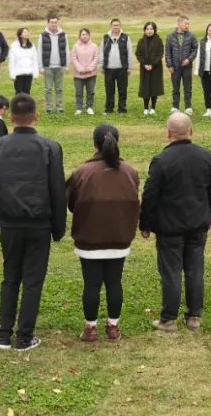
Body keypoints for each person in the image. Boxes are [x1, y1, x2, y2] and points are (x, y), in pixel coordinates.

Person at [0, 93, 66, 351]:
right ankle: (23, 336)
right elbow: (58, 191)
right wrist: (59, 227)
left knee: (11, 277)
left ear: (11, 117)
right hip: (38, 223)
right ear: (36, 116)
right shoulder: (49, 147)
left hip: (10, 222)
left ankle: (5, 334)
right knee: (32, 280)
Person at [139, 112, 211, 333]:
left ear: (168, 133)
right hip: (197, 223)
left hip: (170, 226)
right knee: (195, 269)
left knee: (171, 272)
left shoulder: (161, 161)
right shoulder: (206, 156)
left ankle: (169, 319)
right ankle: (194, 316)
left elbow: (149, 196)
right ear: (191, 131)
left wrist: (145, 223)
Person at [66, 123, 140, 342]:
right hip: (119, 236)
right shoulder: (130, 172)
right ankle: (113, 326)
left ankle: (90, 328)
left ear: (94, 144)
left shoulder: (82, 172)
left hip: (89, 237)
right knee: (114, 282)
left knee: (91, 284)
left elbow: (71, 203)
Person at [164, 15, 198, 115]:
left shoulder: (191, 36)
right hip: (175, 67)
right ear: (179, 23)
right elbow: (167, 52)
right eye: (185, 23)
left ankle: (188, 107)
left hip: (187, 67)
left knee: (188, 88)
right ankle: (175, 107)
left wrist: (189, 59)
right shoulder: (170, 36)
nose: (187, 25)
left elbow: (195, 49)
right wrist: (169, 65)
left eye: (188, 24)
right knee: (175, 88)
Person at [101, 19, 136, 115]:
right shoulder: (105, 37)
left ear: (120, 26)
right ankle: (109, 109)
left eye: (117, 25)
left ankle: (122, 109)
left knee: (122, 90)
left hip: (122, 69)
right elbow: (101, 52)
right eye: (114, 25)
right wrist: (102, 65)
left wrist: (130, 68)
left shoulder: (126, 37)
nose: (116, 27)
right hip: (109, 69)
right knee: (109, 90)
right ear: (111, 26)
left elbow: (130, 53)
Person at [38, 14, 69, 115]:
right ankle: (49, 107)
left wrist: (66, 65)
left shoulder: (63, 35)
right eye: (52, 22)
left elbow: (66, 50)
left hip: (60, 66)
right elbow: (40, 51)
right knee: (48, 89)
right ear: (48, 23)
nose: (54, 24)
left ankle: (60, 107)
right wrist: (41, 67)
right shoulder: (42, 36)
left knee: (59, 89)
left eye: (55, 22)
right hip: (48, 67)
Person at [136, 22, 165, 116]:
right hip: (144, 68)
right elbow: (138, 54)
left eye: (151, 29)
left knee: (154, 87)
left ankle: (153, 108)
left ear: (154, 30)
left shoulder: (158, 41)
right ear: (144, 30)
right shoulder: (141, 41)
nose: (149, 31)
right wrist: (144, 64)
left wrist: (153, 64)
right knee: (145, 87)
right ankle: (145, 108)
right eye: (147, 29)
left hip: (156, 68)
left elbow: (160, 53)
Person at [71, 27, 100, 116]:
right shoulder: (75, 46)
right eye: (83, 34)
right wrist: (80, 69)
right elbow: (74, 58)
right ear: (80, 36)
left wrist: (89, 68)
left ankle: (89, 107)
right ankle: (79, 108)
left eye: (86, 34)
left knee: (90, 92)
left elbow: (96, 58)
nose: (85, 36)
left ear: (89, 35)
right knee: (79, 92)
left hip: (91, 74)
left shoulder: (94, 46)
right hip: (78, 74)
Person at [9, 27, 38, 95]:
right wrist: (12, 74)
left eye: (28, 32)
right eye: (25, 32)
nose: (27, 33)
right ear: (20, 35)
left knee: (27, 92)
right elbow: (12, 61)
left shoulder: (32, 46)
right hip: (18, 73)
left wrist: (35, 73)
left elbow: (35, 60)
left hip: (28, 73)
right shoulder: (14, 46)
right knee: (19, 93)